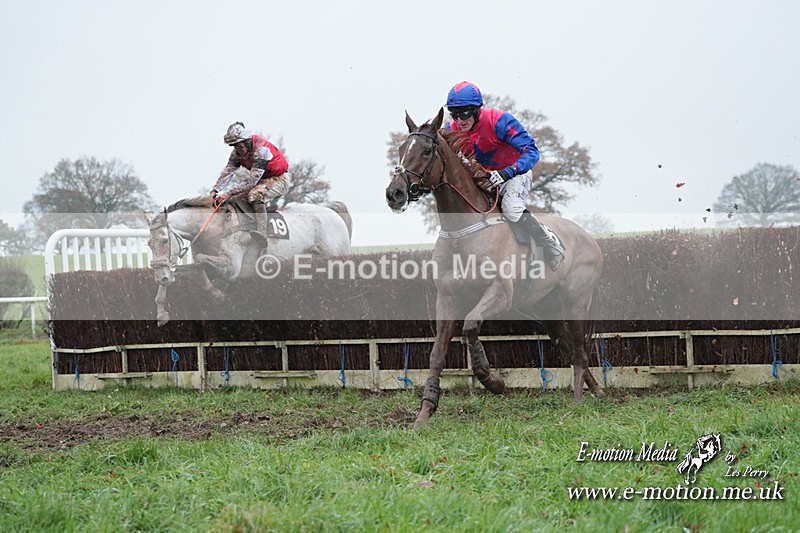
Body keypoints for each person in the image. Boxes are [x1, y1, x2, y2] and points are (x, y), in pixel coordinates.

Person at [445, 81, 565, 271]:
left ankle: (550, 242)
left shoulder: (500, 121)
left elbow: (532, 152)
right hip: (484, 178)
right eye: (455, 113)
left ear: (477, 110)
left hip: (516, 173)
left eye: (465, 112)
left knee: (511, 208)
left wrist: (507, 172)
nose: (460, 120)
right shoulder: (450, 130)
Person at [210, 122, 290, 249]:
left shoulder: (261, 150)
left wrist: (229, 192)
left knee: (255, 195)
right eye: (234, 146)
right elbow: (228, 173)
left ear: (247, 141)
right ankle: (249, 224)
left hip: (279, 179)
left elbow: (252, 181)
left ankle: (262, 234)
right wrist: (215, 190)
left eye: (239, 145)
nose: (237, 149)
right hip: (262, 180)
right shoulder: (236, 154)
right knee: (235, 199)